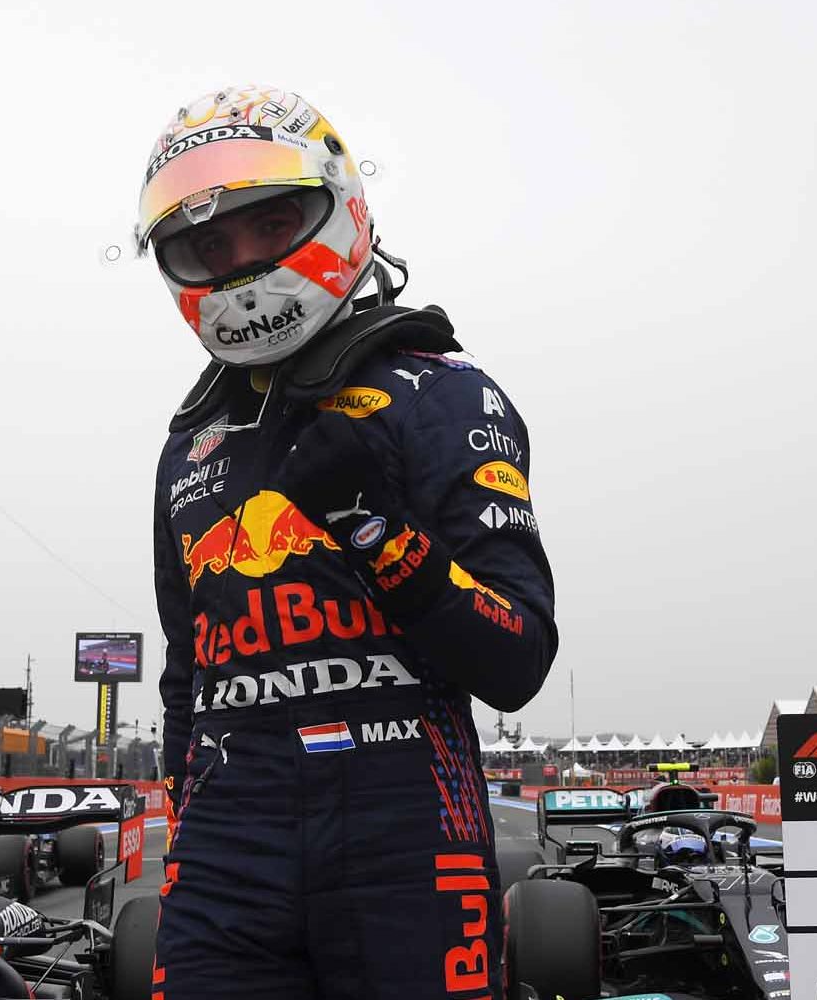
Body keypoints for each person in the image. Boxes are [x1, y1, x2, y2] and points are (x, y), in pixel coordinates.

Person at [141, 85, 558, 999]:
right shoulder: (190, 440)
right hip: (227, 842)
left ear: (338, 208)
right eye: (211, 245)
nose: (242, 262)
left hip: (405, 821)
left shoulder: (444, 392)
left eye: (270, 224)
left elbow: (518, 657)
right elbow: (186, 672)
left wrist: (371, 525)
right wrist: (195, 812)